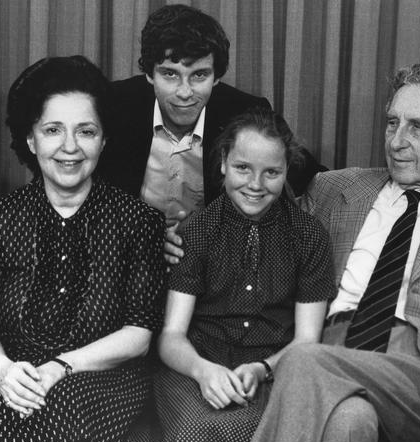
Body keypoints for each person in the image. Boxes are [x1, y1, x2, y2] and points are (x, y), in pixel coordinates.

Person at [230, 64, 420, 442]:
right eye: (392, 122)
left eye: (417, 127)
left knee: (303, 359)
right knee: (349, 423)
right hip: (335, 349)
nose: (396, 141)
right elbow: (260, 226)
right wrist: (183, 237)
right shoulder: (335, 190)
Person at [0, 56, 166, 442]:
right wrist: (6, 371)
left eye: (85, 131)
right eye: (52, 130)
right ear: (30, 138)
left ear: (103, 140)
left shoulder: (138, 221)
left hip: (94, 378)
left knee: (61, 417)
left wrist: (61, 366)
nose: (69, 146)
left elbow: (138, 336)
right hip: (3, 376)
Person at [123, 107, 335, 442]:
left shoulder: (308, 236)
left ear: (287, 171)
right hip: (194, 368)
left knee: (245, 427)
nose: (256, 184)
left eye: (272, 172)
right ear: (222, 163)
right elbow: (172, 336)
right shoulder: (198, 231)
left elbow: (307, 341)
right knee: (197, 425)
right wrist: (204, 372)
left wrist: (262, 369)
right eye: (242, 168)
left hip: (274, 372)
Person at [95, 4, 324, 263]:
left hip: (215, 265)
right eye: (170, 74)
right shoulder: (113, 106)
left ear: (216, 78)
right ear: (150, 74)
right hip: (125, 258)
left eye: (199, 75)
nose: (184, 92)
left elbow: (309, 174)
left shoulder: (243, 112)